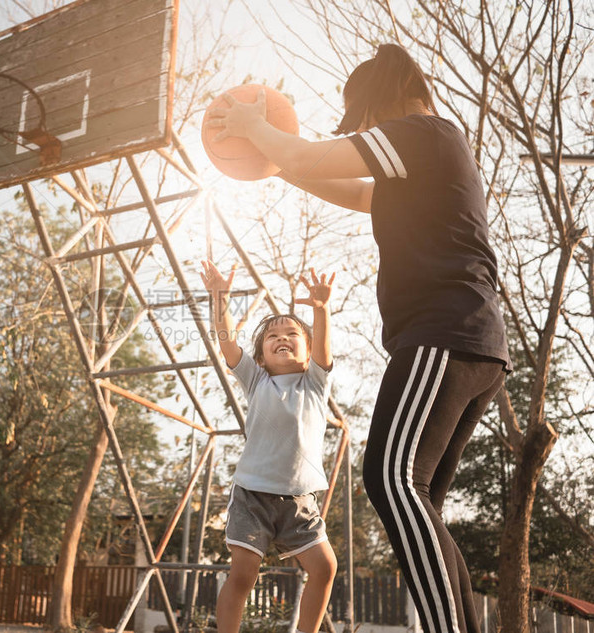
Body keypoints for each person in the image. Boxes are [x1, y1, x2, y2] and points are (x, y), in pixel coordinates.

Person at [205, 44, 511, 633]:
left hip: (442, 335)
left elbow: (315, 156)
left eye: (362, 118)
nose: (365, 131)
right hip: (472, 345)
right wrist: (273, 160)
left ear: (384, 99)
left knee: (391, 481)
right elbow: (344, 186)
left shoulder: (425, 133)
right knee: (419, 502)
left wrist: (254, 126)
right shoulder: (423, 170)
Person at [200, 260, 337, 633]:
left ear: (307, 353)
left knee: (325, 569)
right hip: (253, 497)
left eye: (292, 334)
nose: (282, 338)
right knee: (244, 574)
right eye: (272, 336)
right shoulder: (256, 380)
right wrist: (220, 298)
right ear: (260, 356)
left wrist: (320, 310)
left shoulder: (315, 383)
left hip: (299, 502)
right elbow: (226, 340)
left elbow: (324, 346)